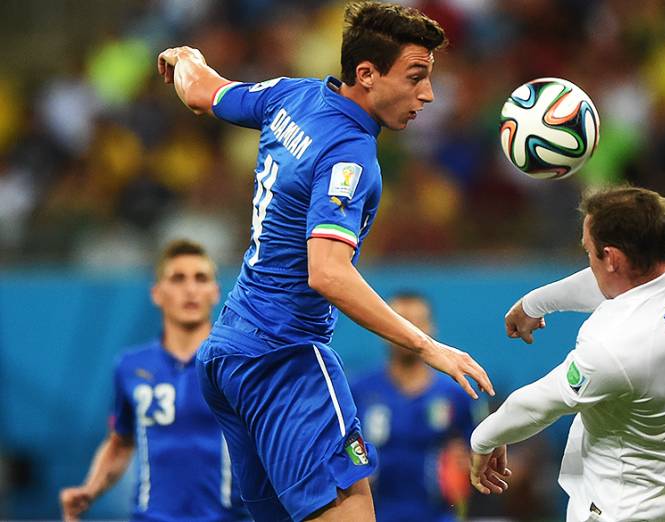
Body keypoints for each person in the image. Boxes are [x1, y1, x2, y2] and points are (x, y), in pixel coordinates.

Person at [156, 2, 494, 520]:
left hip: (227, 356)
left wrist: (183, 57)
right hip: (284, 358)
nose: (427, 94)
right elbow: (328, 271)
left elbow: (203, 90)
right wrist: (428, 347)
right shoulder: (349, 153)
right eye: (416, 77)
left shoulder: (292, 94)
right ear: (366, 74)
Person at [469, 186, 665, 522]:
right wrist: (536, 303)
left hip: (622, 506)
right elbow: (619, 285)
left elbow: (539, 404)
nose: (588, 258)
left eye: (589, 251)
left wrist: (484, 438)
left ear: (612, 257)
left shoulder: (616, 346)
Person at [59, 239, 248, 521]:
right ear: (157, 293)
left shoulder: (238, 363)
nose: (190, 289)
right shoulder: (131, 366)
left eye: (201, 278)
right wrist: (90, 490)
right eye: (177, 278)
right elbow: (121, 442)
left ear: (215, 292)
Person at [352, 292, 477, 522]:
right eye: (400, 322)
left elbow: (475, 455)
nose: (409, 332)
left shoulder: (455, 395)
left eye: (418, 323)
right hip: (375, 515)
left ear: (432, 329)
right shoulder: (358, 391)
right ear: (382, 328)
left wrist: (468, 464)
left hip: (438, 516)